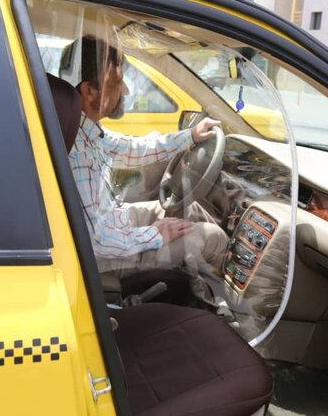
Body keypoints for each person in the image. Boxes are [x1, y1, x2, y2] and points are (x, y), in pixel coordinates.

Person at [67, 35, 228, 290]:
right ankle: (216, 307)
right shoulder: (77, 153)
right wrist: (155, 234)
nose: (126, 90)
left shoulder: (84, 131)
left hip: (112, 224)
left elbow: (133, 149)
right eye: (117, 81)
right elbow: (96, 241)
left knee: (191, 210)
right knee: (213, 238)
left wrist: (191, 136)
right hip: (105, 258)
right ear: (89, 91)